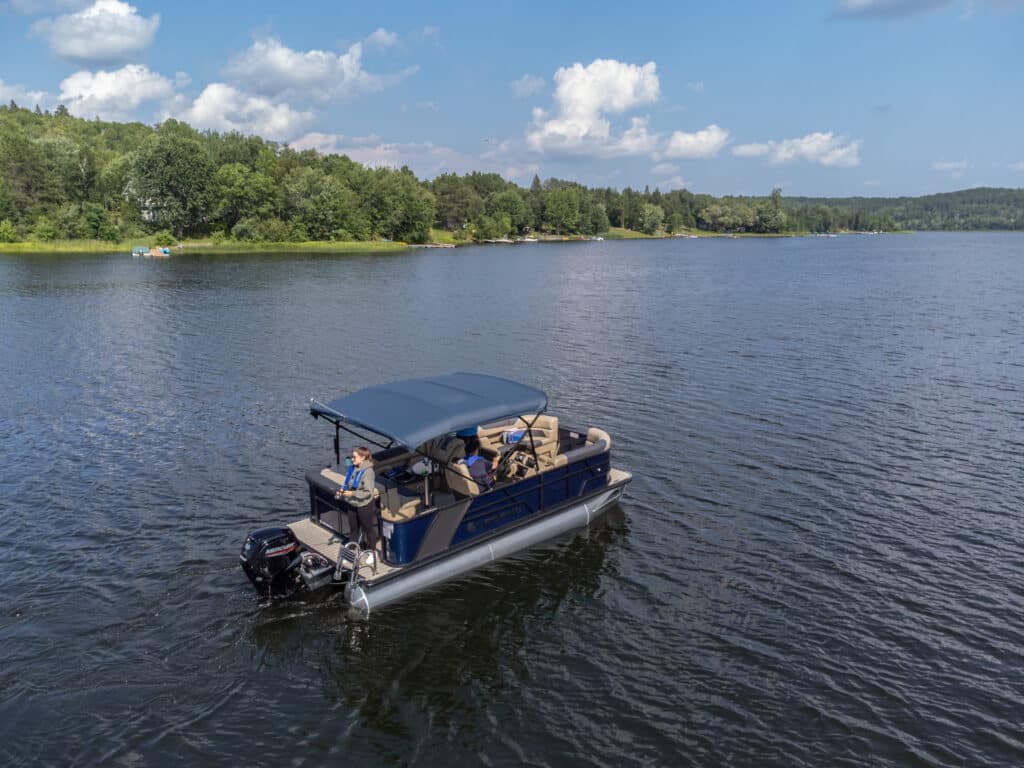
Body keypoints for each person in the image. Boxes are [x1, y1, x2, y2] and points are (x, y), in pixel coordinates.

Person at [334, 446, 379, 564]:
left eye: (354, 457)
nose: (352, 459)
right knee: (353, 529)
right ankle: (351, 553)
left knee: (368, 529)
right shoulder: (352, 468)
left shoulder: (368, 472)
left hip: (364, 505)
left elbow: (368, 492)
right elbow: (348, 484)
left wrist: (352, 493)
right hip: (352, 503)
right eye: (352, 457)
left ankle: (373, 553)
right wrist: (342, 491)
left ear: (363, 457)